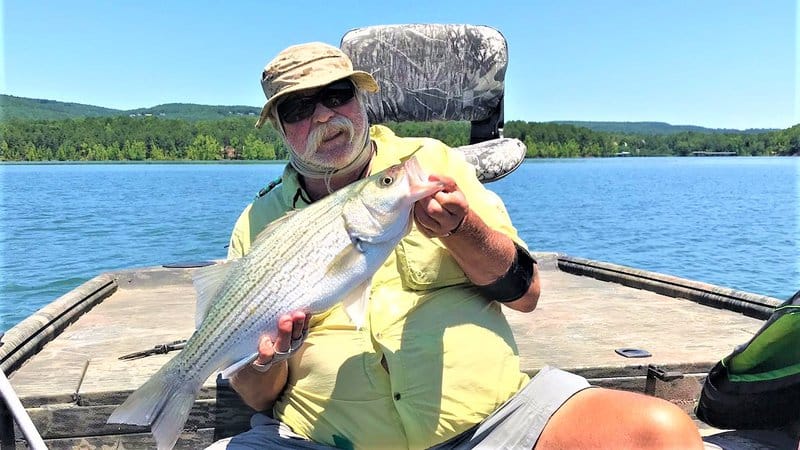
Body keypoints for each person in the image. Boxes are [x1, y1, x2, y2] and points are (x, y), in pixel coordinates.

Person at [210, 42, 703, 449]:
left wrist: (461, 229)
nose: (324, 115)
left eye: (337, 95)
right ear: (279, 126)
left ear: (361, 101)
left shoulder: (429, 162)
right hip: (321, 439)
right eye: (299, 107)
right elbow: (255, 395)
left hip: (491, 424)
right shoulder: (258, 224)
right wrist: (267, 359)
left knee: (661, 434)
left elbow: (526, 294)